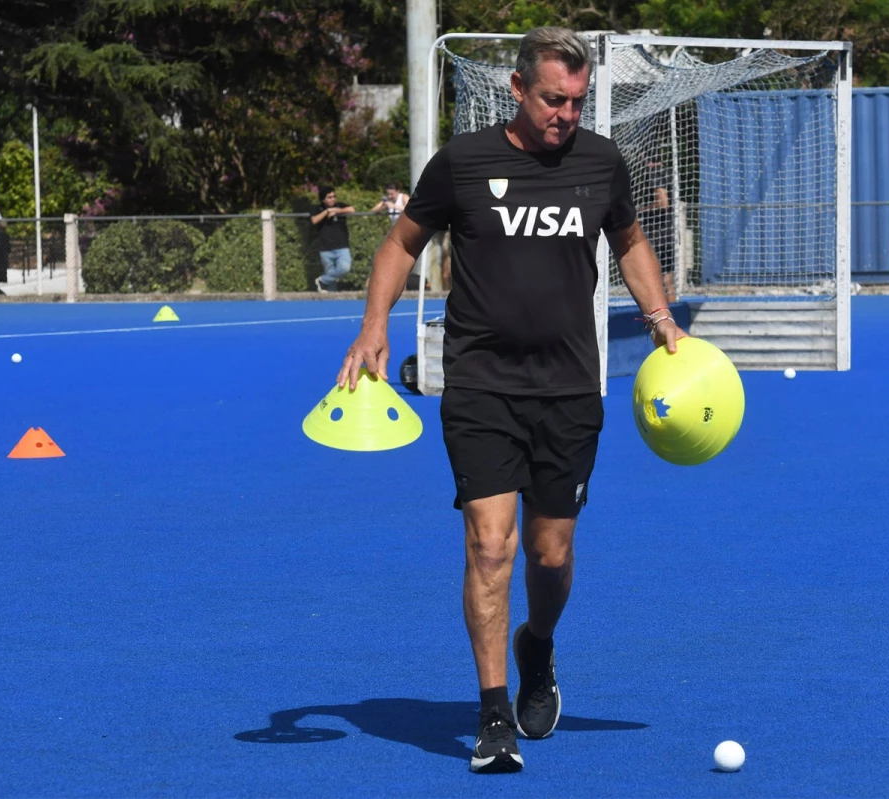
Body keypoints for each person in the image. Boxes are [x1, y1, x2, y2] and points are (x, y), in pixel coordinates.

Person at [336, 27, 687, 774]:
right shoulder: (464, 163)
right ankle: (493, 712)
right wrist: (373, 326)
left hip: (568, 389)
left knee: (549, 553)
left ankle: (540, 645)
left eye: (578, 102)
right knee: (489, 543)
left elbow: (627, 243)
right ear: (519, 89)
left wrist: (660, 318)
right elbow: (401, 242)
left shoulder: (600, 162)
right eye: (554, 99)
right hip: (481, 385)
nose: (567, 114)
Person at [635, 155, 676, 302]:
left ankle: (661, 314)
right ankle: (672, 312)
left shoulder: (655, 174)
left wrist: (640, 210)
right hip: (667, 232)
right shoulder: (669, 173)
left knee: (657, 279)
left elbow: (663, 203)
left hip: (658, 235)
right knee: (667, 278)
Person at [310, 186, 355, 292]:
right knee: (332, 280)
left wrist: (337, 211)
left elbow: (352, 210)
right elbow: (314, 220)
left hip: (342, 246)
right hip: (325, 248)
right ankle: (332, 299)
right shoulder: (317, 208)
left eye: (334, 196)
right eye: (329, 197)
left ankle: (322, 280)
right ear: (323, 199)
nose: (333, 199)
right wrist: (327, 212)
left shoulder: (339, 205)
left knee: (344, 268)